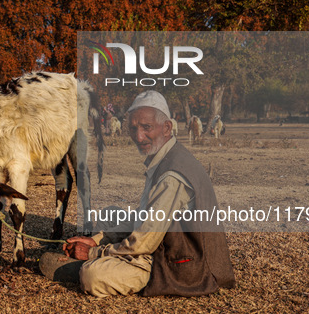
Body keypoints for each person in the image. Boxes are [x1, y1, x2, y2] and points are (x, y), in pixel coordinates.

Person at [39, 91, 235, 297]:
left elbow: (144, 241)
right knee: (110, 214)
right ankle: (102, 259)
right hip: (164, 240)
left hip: (182, 262)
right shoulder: (165, 155)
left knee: (92, 275)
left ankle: (89, 266)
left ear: (167, 127)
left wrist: (93, 252)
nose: (139, 137)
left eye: (146, 127)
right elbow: (145, 217)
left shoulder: (172, 175)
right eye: (134, 128)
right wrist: (97, 239)